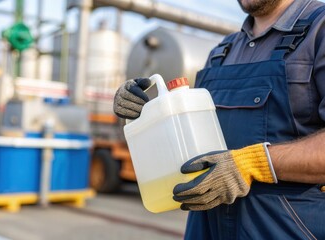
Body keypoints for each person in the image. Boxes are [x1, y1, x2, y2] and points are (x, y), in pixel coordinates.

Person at [113, 0, 325, 238]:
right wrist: (146, 117)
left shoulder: (319, 30)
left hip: (284, 228)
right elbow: (189, 145)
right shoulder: (222, 51)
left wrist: (253, 164)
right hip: (206, 228)